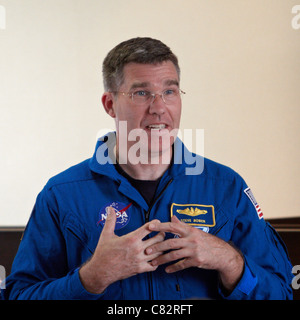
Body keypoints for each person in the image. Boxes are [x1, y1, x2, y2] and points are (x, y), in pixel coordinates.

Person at [2, 37, 293, 300]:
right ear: (110, 104)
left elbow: (281, 294)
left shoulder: (226, 187)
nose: (158, 107)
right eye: (141, 93)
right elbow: (20, 296)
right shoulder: (61, 195)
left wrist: (230, 262)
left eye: (169, 91)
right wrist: (90, 279)